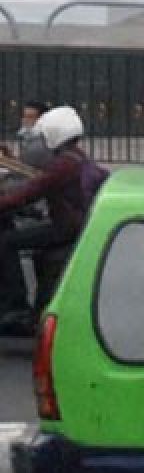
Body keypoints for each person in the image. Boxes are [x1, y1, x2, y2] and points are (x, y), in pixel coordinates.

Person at [0, 107, 91, 335]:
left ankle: (15, 304)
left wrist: (5, 202)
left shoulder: (62, 165)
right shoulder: (75, 158)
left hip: (65, 229)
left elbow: (31, 191)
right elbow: (38, 181)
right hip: (70, 224)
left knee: (7, 241)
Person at [0, 101, 51, 169]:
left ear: (42, 119)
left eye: (30, 117)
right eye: (24, 116)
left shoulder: (42, 142)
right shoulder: (29, 139)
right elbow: (25, 166)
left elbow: (24, 169)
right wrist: (9, 156)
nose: (25, 120)